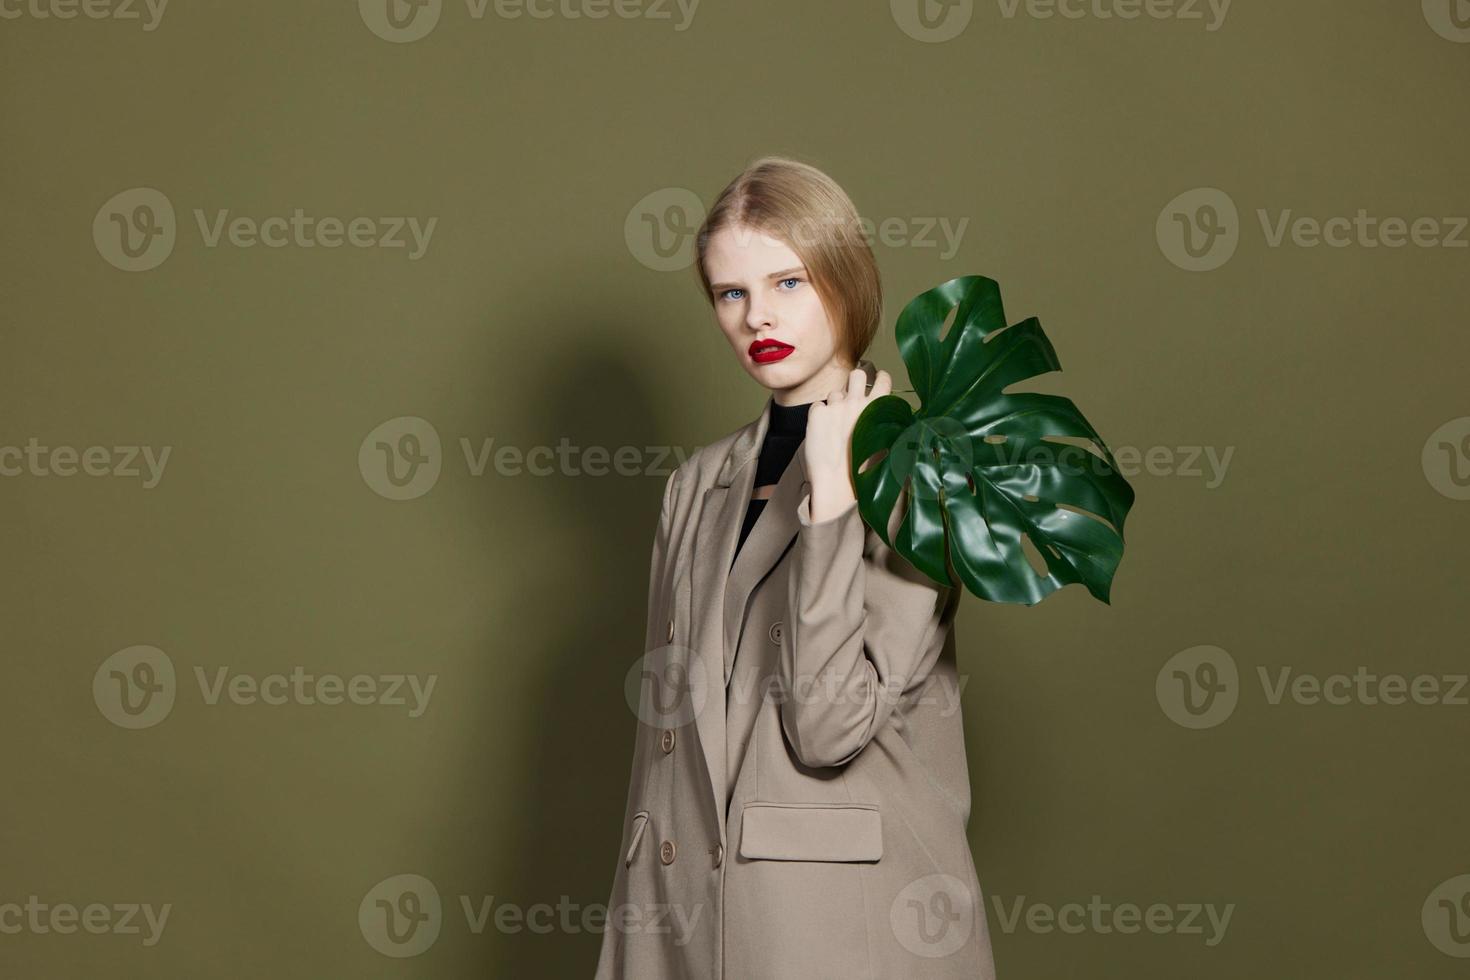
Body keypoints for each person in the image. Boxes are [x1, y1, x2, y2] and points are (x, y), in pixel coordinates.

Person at [596, 156, 996, 979]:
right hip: (678, 919)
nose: (755, 318)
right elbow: (669, 743)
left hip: (837, 930)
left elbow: (826, 726)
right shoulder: (695, 484)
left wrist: (834, 507)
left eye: (788, 282)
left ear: (845, 279)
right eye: (730, 293)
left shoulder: (919, 470)